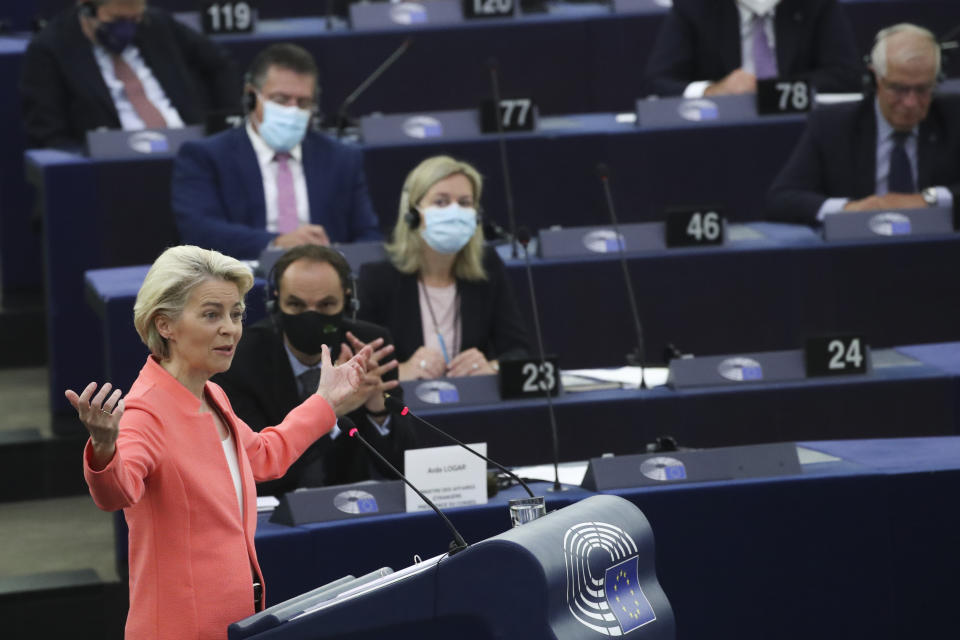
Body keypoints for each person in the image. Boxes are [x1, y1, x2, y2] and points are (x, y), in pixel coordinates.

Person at [65, 245, 368, 639]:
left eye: (236, 314)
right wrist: (105, 449)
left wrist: (325, 403)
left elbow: (264, 456)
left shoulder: (212, 395)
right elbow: (117, 491)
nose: (231, 328)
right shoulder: (145, 411)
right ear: (165, 324)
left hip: (236, 622)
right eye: (212, 314)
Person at [214, 244, 419, 495]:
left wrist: (378, 409)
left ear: (348, 302)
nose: (311, 318)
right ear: (275, 303)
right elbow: (257, 473)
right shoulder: (241, 359)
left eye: (326, 305)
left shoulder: (367, 347)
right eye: (297, 306)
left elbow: (405, 466)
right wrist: (330, 412)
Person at [172, 43, 381, 260]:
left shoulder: (342, 159)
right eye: (281, 100)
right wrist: (276, 243)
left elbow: (368, 236)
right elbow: (198, 231)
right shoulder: (206, 156)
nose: (292, 110)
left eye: (303, 102)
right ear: (251, 97)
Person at [765, 23, 960, 226]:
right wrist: (849, 209)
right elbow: (781, 199)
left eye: (922, 89)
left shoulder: (953, 118)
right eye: (898, 88)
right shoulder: (833, 125)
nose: (910, 102)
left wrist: (929, 199)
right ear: (875, 78)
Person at [358, 156, 530, 381]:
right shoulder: (378, 278)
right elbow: (355, 366)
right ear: (413, 214)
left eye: (465, 203)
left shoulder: (488, 266)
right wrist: (401, 371)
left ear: (476, 217)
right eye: (441, 202)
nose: (454, 212)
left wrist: (493, 368)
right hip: (405, 411)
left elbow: (518, 351)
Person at [20, 0, 239, 149]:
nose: (127, 29)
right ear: (85, 9)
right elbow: (47, 134)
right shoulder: (50, 49)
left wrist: (223, 127)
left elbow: (219, 66)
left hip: (189, 147)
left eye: (134, 19)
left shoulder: (157, 24)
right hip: (115, 164)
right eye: (117, 20)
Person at [642, 0, 861, 98]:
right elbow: (658, 80)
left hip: (803, 127)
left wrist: (776, 92)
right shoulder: (695, 5)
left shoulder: (814, 3)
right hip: (720, 132)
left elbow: (846, 74)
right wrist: (712, 91)